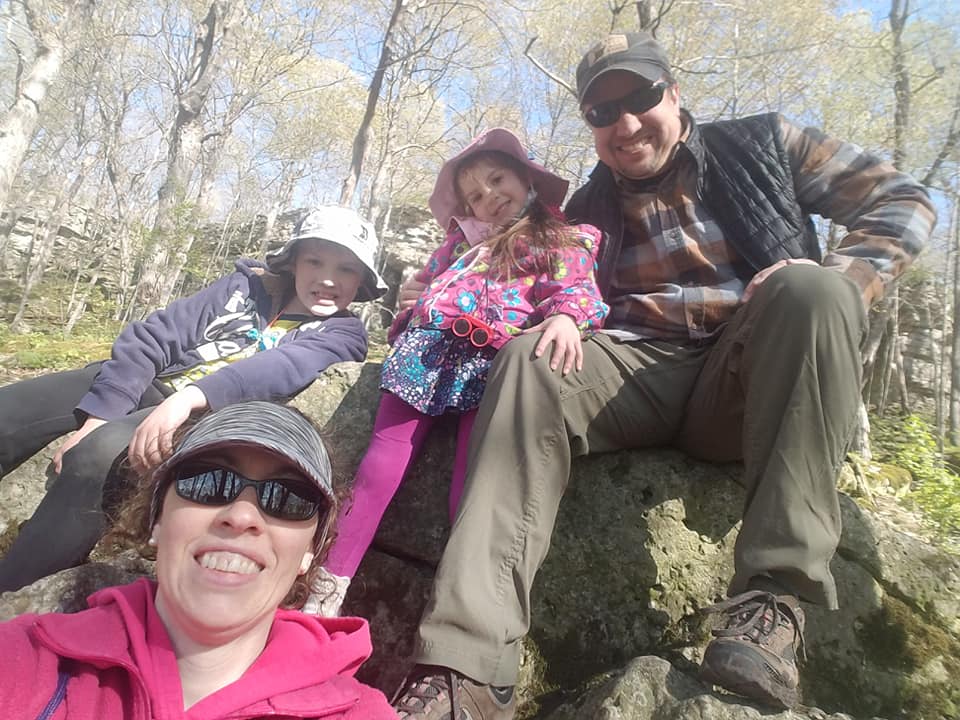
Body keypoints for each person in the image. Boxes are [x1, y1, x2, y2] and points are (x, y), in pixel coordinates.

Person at [391, 32, 937, 718]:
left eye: (640, 97)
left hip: (748, 365)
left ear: (674, 94)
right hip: (635, 370)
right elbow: (521, 278)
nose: (624, 124)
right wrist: (436, 294)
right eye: (601, 112)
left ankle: (771, 604)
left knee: (814, 291)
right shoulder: (583, 210)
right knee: (531, 359)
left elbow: (904, 201)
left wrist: (841, 276)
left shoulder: (764, 143)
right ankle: (468, 664)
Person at [0, 205, 387, 594]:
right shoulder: (246, 287)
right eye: (314, 261)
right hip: (143, 379)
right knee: (9, 410)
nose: (327, 278)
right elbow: (157, 335)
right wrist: (102, 412)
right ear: (294, 263)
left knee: (99, 454)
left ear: (362, 281)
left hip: (202, 412)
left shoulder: (343, 336)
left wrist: (188, 399)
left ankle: (13, 593)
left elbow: (280, 368)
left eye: (345, 269)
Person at [304, 128, 609, 617]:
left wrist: (567, 318)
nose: (490, 197)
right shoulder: (458, 246)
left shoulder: (559, 239)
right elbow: (426, 291)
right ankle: (327, 584)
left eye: (497, 180)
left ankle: (454, 604)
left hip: (493, 360)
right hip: (429, 348)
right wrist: (411, 310)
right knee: (379, 465)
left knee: (475, 481)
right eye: (476, 196)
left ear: (526, 178)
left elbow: (576, 287)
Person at [0, 401, 397, 719]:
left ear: (310, 551)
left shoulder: (361, 713)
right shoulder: (24, 659)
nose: (241, 516)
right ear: (157, 521)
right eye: (208, 481)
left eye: (288, 497)